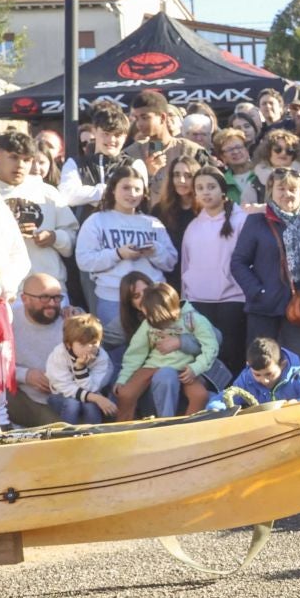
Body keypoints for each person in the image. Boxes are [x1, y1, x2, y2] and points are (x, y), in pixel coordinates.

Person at [230, 167, 300, 375]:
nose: (287, 194)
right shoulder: (256, 221)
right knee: (259, 363)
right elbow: (238, 262)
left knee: (297, 364)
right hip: (263, 306)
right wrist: (258, 291)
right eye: (281, 188)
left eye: (292, 189)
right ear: (271, 191)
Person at [77, 161, 178, 351]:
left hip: (152, 299)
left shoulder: (152, 223)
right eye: (126, 188)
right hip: (112, 298)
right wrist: (117, 253)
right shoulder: (97, 220)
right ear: (113, 190)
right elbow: (84, 260)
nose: (132, 194)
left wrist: (154, 251)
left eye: (137, 189)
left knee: (155, 351)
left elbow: (171, 262)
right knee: (116, 352)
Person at [112, 282, 226, 419]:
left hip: (183, 369)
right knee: (126, 393)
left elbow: (211, 346)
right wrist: (124, 378)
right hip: (152, 366)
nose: (153, 322)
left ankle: (187, 428)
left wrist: (195, 368)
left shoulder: (193, 320)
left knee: (200, 396)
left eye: (157, 318)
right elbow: (135, 353)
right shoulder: (149, 322)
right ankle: (124, 428)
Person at [178, 167, 249, 374]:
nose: (206, 192)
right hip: (199, 301)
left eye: (211, 187)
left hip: (232, 300)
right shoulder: (193, 226)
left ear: (222, 190)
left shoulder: (240, 219)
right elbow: (186, 264)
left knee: (232, 355)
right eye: (200, 188)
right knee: (206, 358)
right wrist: (185, 299)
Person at [0, 130, 73, 283]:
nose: (20, 165)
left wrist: (53, 237)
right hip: (1, 288)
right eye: (13, 157)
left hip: (48, 287)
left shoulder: (48, 193)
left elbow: (72, 239)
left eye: (26, 160)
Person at [7, 272, 69, 427]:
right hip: (22, 396)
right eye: (44, 298)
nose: (52, 304)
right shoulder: (9, 320)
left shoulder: (70, 320)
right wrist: (25, 375)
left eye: (57, 298)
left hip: (66, 397)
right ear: (25, 299)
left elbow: (104, 366)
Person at [43, 311, 117, 424]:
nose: (89, 348)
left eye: (93, 343)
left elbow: (92, 387)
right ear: (69, 344)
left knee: (91, 406)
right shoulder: (59, 354)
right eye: (82, 344)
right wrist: (97, 398)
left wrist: (80, 368)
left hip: (89, 393)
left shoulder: (102, 358)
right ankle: (68, 435)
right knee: (73, 404)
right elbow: (65, 387)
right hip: (61, 395)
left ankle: (93, 435)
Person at [228, 335, 300, 404]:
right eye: (257, 375)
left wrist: (298, 402)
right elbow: (226, 397)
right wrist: (215, 408)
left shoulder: (297, 375)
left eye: (269, 374)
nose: (264, 380)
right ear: (249, 366)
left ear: (282, 365)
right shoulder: (246, 379)